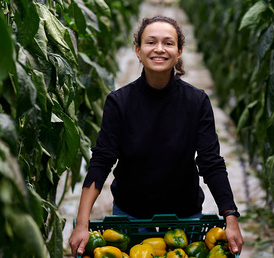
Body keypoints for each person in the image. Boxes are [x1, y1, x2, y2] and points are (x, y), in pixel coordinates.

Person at [68, 15, 244, 257]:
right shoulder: (119, 103)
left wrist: (230, 217)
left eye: (168, 43)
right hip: (131, 217)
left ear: (179, 51)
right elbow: (101, 161)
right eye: (151, 42)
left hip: (184, 218)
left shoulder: (196, 102)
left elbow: (211, 162)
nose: (159, 49)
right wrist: (81, 223)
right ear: (138, 51)